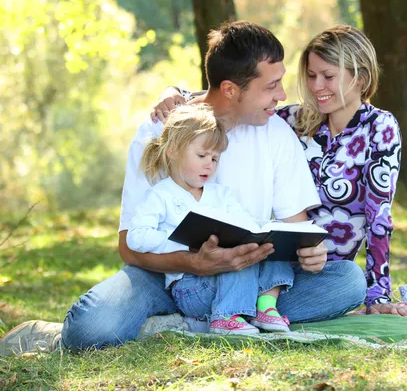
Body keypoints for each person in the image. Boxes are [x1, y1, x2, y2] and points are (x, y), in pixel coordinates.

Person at [0, 21, 366, 356]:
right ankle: (211, 322)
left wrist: (309, 252)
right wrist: (193, 263)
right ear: (230, 89)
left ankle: (179, 327)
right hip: (165, 277)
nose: (282, 94)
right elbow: (129, 245)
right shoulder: (160, 133)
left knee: (347, 281)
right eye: (271, 86)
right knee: (91, 328)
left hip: (245, 276)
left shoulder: (276, 133)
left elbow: (295, 228)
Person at [152, 25, 407, 316]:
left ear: (362, 78)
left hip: (322, 272)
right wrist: (177, 93)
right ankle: (251, 310)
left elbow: (379, 218)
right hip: (270, 262)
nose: (316, 86)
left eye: (328, 76)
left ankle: (233, 313)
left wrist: (377, 295)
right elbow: (238, 97)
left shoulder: (380, 128)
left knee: (351, 282)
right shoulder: (296, 118)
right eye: (311, 75)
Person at [127, 103, 293, 334]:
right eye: (202, 155)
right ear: (173, 151)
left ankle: (266, 307)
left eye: (215, 159)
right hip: (191, 286)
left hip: (225, 280)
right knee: (236, 261)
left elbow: (245, 223)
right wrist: (185, 242)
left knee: (270, 249)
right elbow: (136, 238)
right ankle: (225, 317)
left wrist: (265, 231)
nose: (209, 164)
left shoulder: (221, 194)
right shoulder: (161, 195)